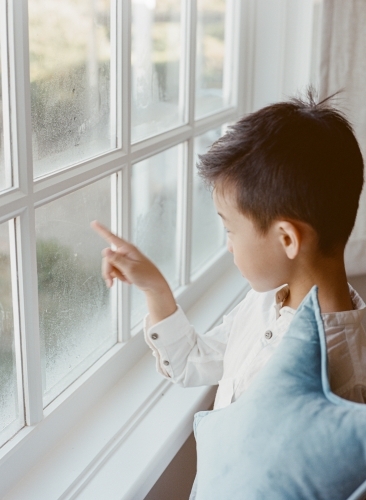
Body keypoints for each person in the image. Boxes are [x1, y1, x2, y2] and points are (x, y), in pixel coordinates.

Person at [92, 90, 366, 413]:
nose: (228, 244)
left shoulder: (340, 385)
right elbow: (193, 361)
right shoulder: (270, 298)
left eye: (230, 229)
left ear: (288, 240)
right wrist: (154, 286)